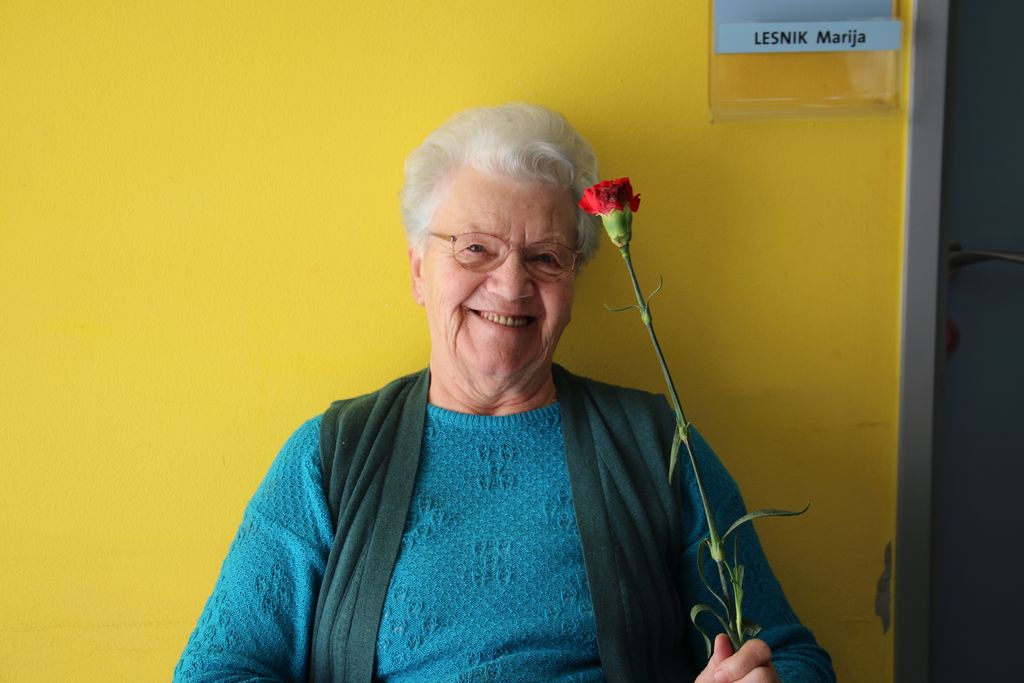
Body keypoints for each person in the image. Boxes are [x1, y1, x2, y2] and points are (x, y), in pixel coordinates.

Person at [174, 103, 834, 682]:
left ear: (574, 281)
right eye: (475, 249)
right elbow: (216, 669)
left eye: (545, 257)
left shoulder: (656, 443)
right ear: (418, 270)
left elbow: (792, 654)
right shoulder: (330, 458)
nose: (512, 285)